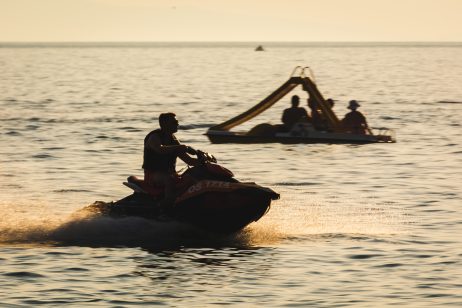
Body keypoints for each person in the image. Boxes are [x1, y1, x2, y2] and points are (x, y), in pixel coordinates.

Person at [142, 112, 199, 208]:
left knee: (193, 180)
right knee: (169, 179)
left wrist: (203, 160)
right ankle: (166, 206)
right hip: (153, 174)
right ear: (164, 124)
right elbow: (160, 149)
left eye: (177, 122)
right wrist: (180, 147)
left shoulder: (173, 140)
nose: (177, 124)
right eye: (174, 122)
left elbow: (189, 161)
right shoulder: (154, 137)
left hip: (170, 173)